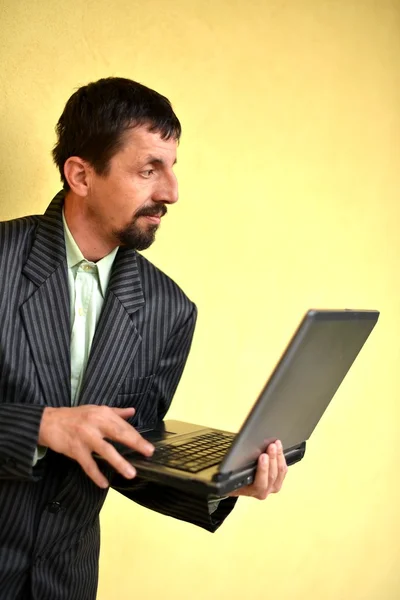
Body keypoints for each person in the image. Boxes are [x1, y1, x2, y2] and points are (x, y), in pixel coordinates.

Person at [0, 77, 288, 599]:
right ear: (81, 175)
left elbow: (130, 459)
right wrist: (39, 426)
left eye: (173, 167)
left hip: (66, 585)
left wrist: (222, 484)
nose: (171, 192)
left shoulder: (170, 310)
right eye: (149, 169)